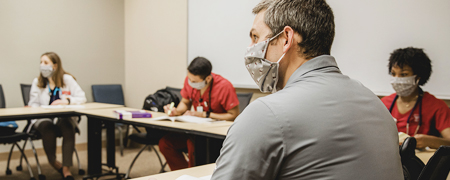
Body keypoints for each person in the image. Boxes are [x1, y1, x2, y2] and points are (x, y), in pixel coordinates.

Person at [211, 0, 403, 179]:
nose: (250, 48)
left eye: (255, 37)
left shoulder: (267, 114)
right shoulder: (376, 106)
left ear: (286, 38)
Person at [159, 57, 239, 170]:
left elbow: (233, 115)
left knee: (193, 145)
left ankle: (194, 174)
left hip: (216, 134)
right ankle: (183, 174)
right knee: (165, 143)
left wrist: (205, 115)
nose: (191, 83)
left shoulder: (224, 86)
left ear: (208, 78)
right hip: (195, 130)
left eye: (195, 82)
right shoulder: (190, 81)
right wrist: (176, 111)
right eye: (189, 79)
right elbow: (185, 102)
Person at [28, 52, 86, 180]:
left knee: (68, 126)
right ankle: (53, 162)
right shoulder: (37, 82)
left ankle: (66, 168)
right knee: (47, 126)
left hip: (63, 118)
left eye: (46, 63)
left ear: (55, 66)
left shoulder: (67, 79)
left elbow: (82, 97)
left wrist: (67, 100)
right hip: (43, 119)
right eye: (41, 62)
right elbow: (33, 104)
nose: (42, 65)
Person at [381, 47, 450, 149]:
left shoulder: (436, 106)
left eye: (403, 74)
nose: (397, 79)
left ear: (418, 77)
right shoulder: (384, 103)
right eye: (393, 74)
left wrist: (430, 141)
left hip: (420, 162)